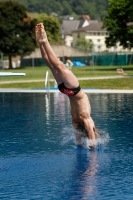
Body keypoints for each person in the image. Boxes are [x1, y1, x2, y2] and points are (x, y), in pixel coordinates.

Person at [35, 23, 100, 149]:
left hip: (72, 91)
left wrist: (88, 146)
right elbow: (84, 138)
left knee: (55, 65)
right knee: (54, 65)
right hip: (68, 91)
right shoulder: (80, 119)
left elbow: (83, 139)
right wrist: (92, 148)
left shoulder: (81, 119)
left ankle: (42, 42)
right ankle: (42, 42)